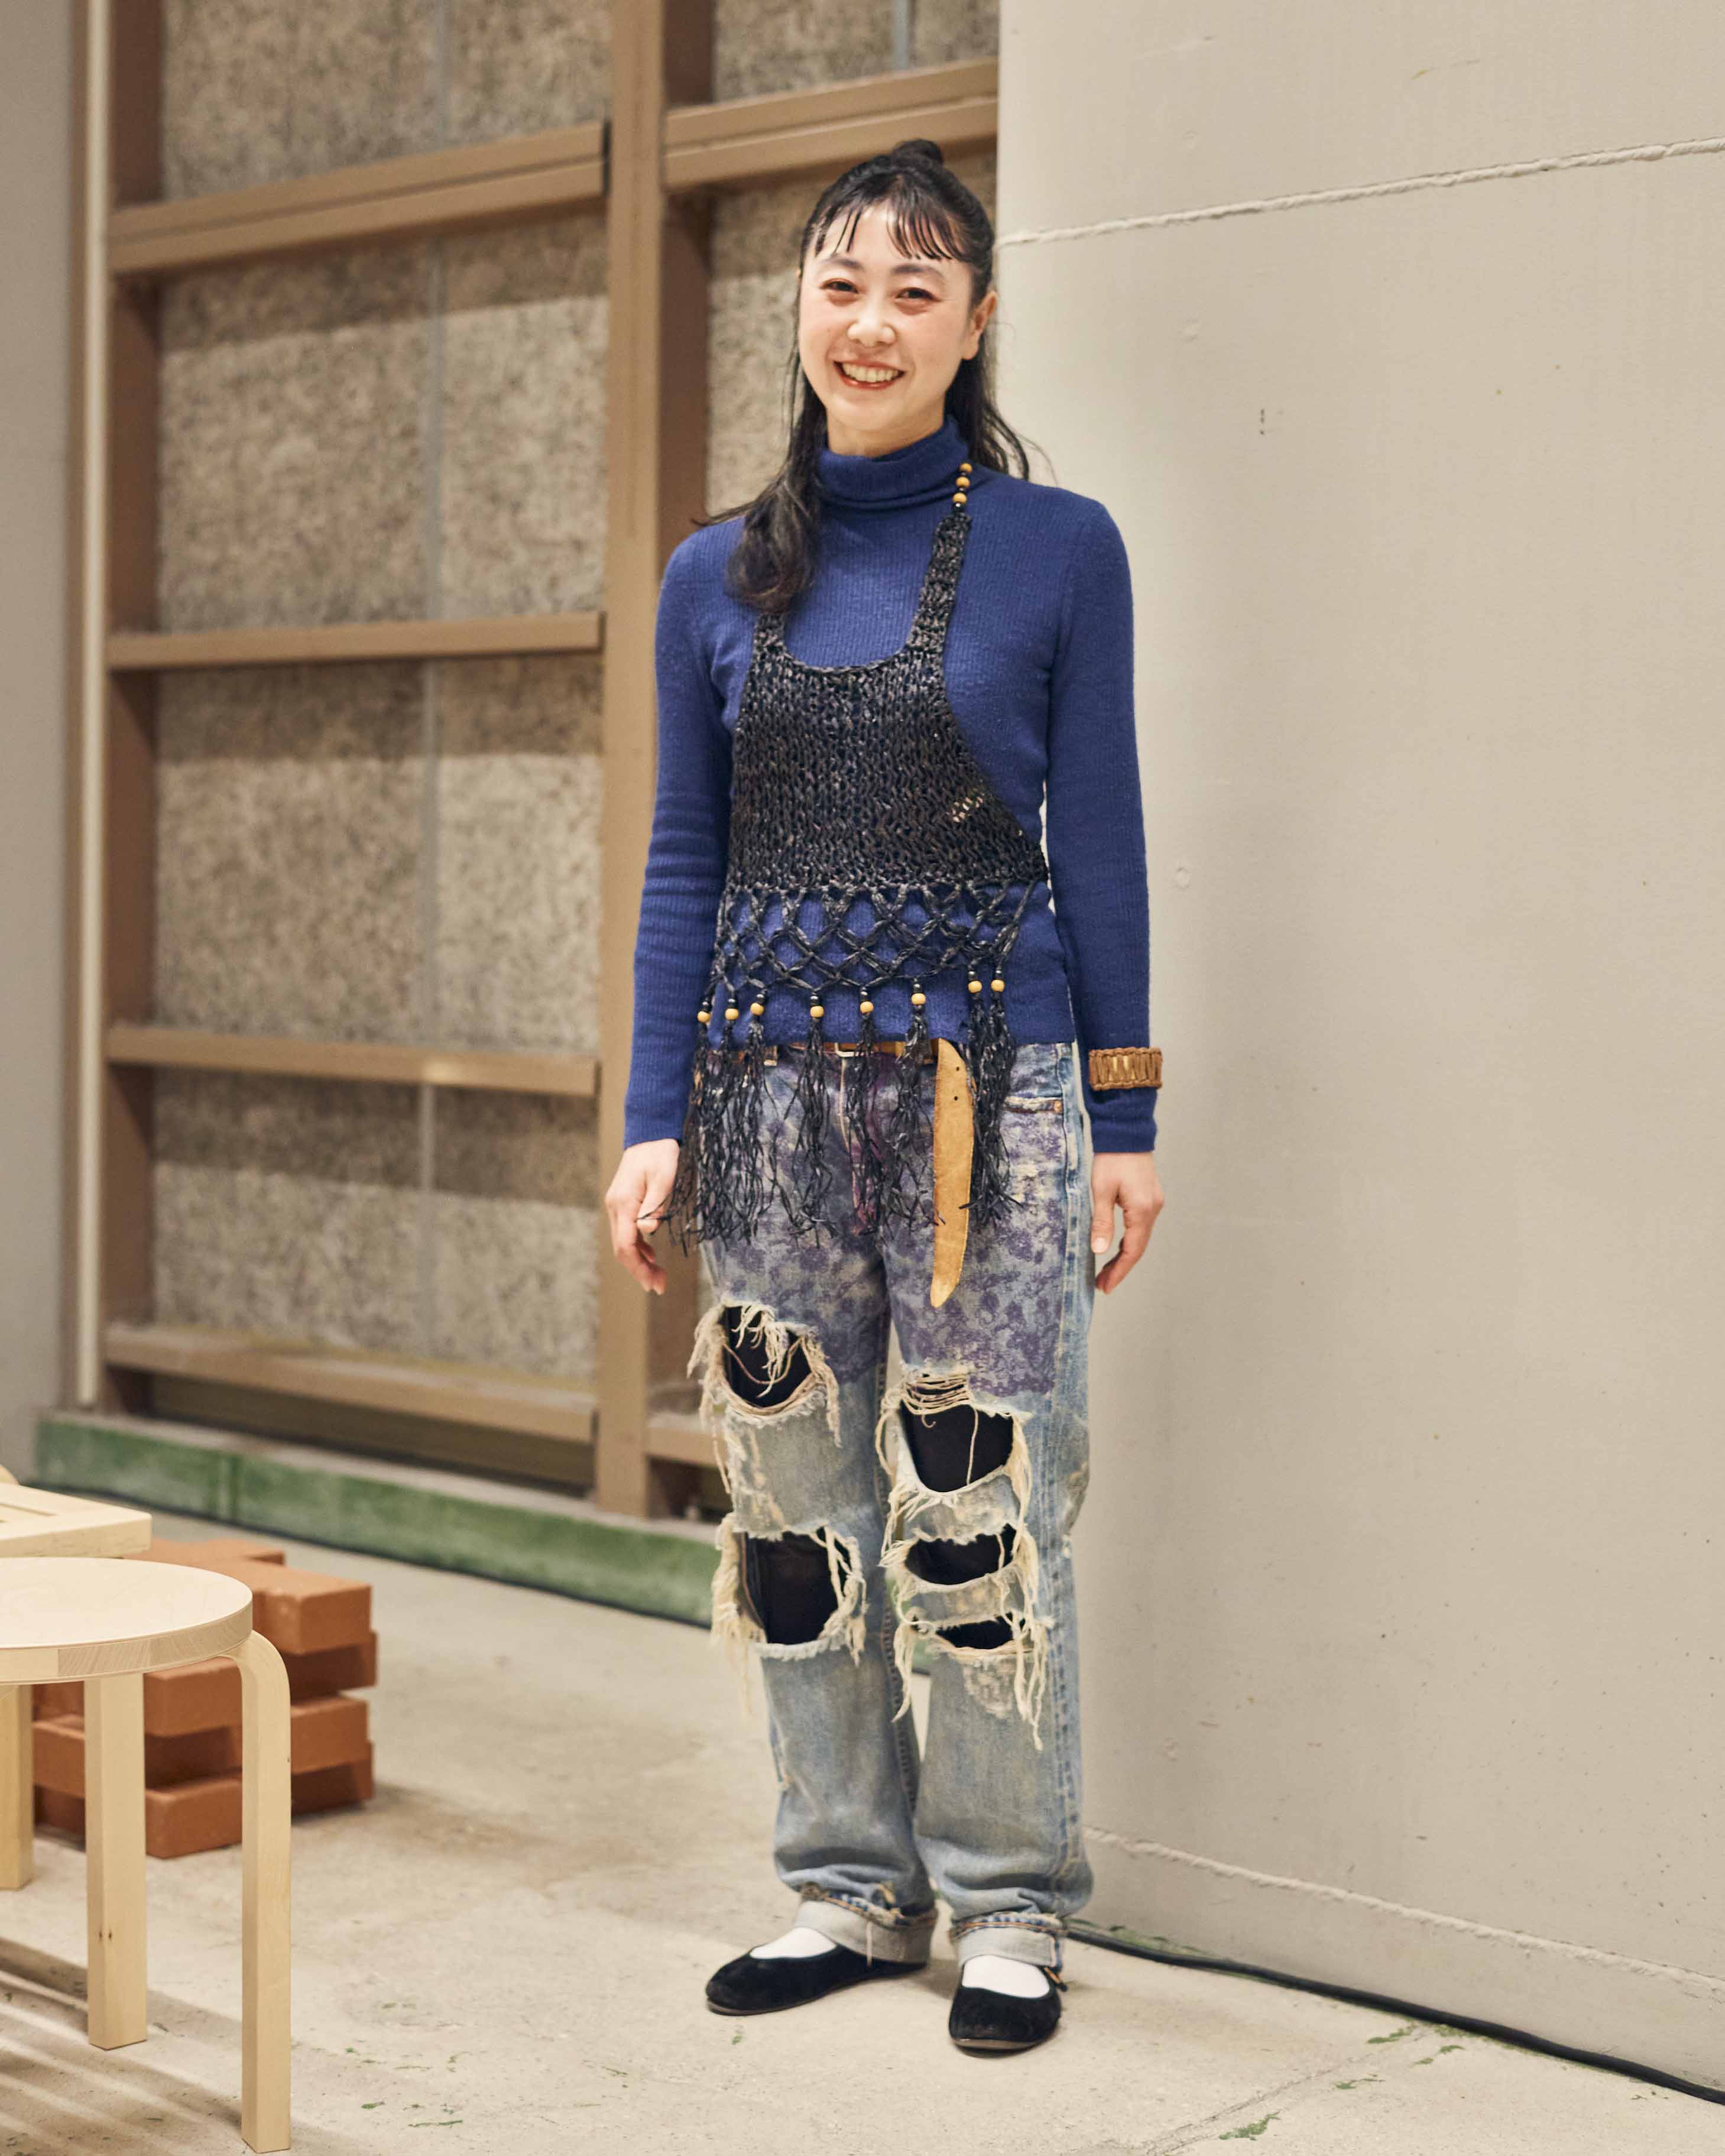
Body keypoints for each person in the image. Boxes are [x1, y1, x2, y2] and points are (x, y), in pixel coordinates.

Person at [605, 135, 1163, 2056]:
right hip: (763, 1100)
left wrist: (1128, 1113)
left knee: (977, 1489)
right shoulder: (712, 575)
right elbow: (687, 860)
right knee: (792, 1505)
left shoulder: (1060, 549)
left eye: (916, 291)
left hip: (990, 1097)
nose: (872, 322)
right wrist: (651, 1113)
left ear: (975, 322)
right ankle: (845, 1882)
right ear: (800, 308)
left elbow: (1100, 841)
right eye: (842, 284)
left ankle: (1009, 1905)